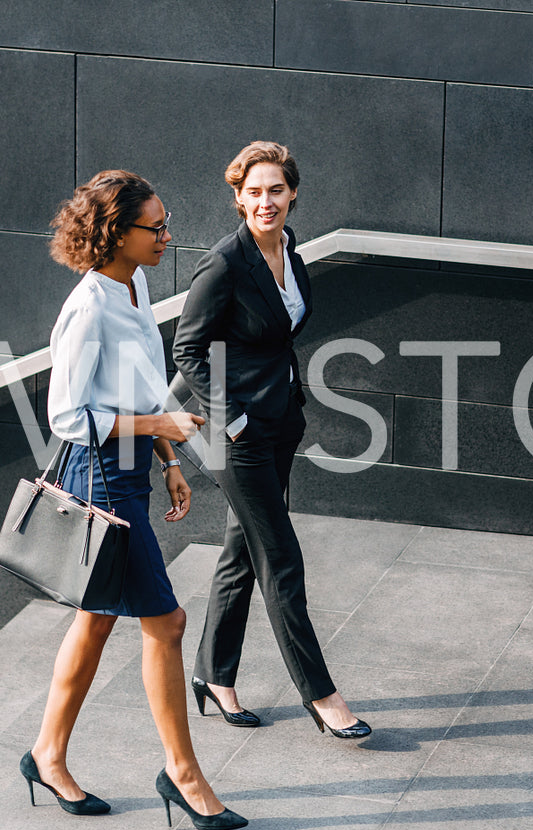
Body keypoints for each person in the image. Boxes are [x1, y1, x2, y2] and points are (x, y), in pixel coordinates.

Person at [20, 170, 246, 830]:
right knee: (167, 621)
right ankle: (182, 772)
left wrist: (167, 459)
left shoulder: (133, 282)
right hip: (96, 475)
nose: (167, 236)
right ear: (115, 234)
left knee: (95, 619)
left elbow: (142, 383)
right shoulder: (89, 305)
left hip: (130, 467)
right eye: (156, 226)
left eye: (165, 221)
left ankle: (47, 754)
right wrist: (157, 430)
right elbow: (67, 416)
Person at [173, 141, 370, 739]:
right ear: (238, 198)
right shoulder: (224, 264)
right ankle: (323, 696)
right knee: (280, 557)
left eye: (276, 190)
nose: (266, 201)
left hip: (281, 422)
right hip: (238, 439)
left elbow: (281, 332)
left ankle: (213, 675)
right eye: (254, 192)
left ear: (292, 194)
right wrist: (229, 418)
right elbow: (187, 349)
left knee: (240, 551)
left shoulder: (291, 249)